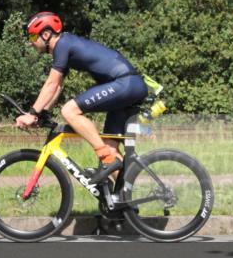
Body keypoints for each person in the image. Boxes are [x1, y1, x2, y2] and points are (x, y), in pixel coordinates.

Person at [15, 11, 148, 177]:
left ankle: (106, 157)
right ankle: (124, 199)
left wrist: (32, 113)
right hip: (129, 85)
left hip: (125, 84)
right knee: (110, 148)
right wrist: (43, 113)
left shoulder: (62, 44)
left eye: (33, 38)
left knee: (69, 111)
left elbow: (51, 83)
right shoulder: (66, 44)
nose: (31, 43)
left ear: (47, 34)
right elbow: (57, 87)